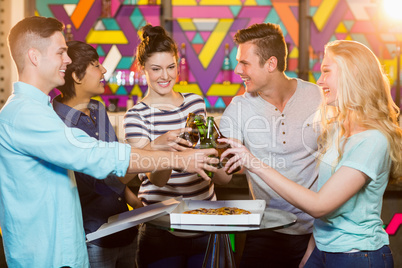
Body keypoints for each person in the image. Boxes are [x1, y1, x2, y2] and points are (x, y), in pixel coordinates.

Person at [0, 16, 218, 267]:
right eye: (61, 52)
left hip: (64, 253)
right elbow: (95, 155)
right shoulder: (24, 115)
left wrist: (157, 147)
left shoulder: (43, 110)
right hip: (46, 258)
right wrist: (179, 158)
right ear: (34, 57)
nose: (68, 60)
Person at [221, 40, 402, 267]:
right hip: (322, 250)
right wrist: (312, 253)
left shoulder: (372, 140)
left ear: (352, 75)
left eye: (326, 71)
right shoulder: (337, 128)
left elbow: (320, 205)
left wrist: (254, 163)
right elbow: (324, 211)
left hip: (358, 255)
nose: (319, 81)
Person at [123, 24, 230, 267]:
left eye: (171, 67)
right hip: (161, 229)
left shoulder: (195, 103)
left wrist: (220, 153)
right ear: (143, 70)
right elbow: (157, 180)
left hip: (206, 223)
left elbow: (215, 168)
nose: (165, 76)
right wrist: (163, 146)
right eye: (156, 69)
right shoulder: (135, 116)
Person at [218, 22, 324, 267]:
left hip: (318, 231)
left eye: (244, 63)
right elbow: (224, 175)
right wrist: (209, 157)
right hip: (266, 230)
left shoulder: (318, 97)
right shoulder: (239, 108)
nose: (237, 70)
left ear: (271, 64)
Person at [53, 40, 142, 268]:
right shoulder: (57, 123)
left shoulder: (98, 109)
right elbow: (98, 182)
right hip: (94, 237)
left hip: (124, 229)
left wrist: (136, 203)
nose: (103, 70)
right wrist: (152, 156)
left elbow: (112, 173)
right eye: (96, 65)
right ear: (77, 77)